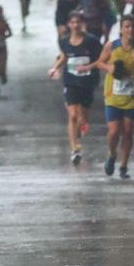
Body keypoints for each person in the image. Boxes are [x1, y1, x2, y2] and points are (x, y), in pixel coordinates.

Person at [96, 16, 134, 179]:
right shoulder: (111, 46)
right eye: (127, 27)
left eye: (133, 27)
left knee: (128, 131)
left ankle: (124, 165)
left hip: (132, 98)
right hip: (113, 97)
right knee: (114, 132)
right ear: (121, 29)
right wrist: (110, 67)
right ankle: (112, 154)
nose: (130, 30)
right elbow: (99, 63)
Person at [47, 12, 103, 166]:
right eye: (72, 22)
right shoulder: (65, 42)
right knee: (72, 115)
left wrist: (91, 67)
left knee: (82, 117)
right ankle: (75, 149)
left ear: (82, 24)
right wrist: (55, 68)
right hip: (70, 82)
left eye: (78, 22)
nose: (75, 25)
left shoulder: (92, 41)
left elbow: (102, 58)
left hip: (87, 82)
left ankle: (81, 127)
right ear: (68, 25)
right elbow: (64, 56)